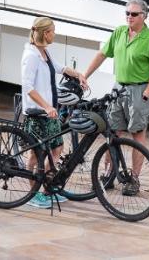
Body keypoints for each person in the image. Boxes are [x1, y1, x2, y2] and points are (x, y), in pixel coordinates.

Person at [82, 0, 149, 196]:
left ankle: (133, 179)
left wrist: (145, 95)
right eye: (127, 13)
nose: (129, 17)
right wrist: (85, 75)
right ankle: (109, 175)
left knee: (137, 135)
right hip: (119, 88)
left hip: (139, 90)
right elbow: (102, 54)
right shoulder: (119, 32)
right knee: (113, 133)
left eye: (134, 14)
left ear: (144, 16)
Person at [22, 16, 87, 209]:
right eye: (53, 31)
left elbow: (60, 68)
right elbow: (27, 87)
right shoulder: (31, 56)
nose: (55, 34)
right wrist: (46, 106)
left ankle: (46, 190)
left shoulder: (44, 53)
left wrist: (79, 74)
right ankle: (32, 194)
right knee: (36, 155)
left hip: (49, 113)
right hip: (37, 113)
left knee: (57, 149)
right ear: (45, 33)